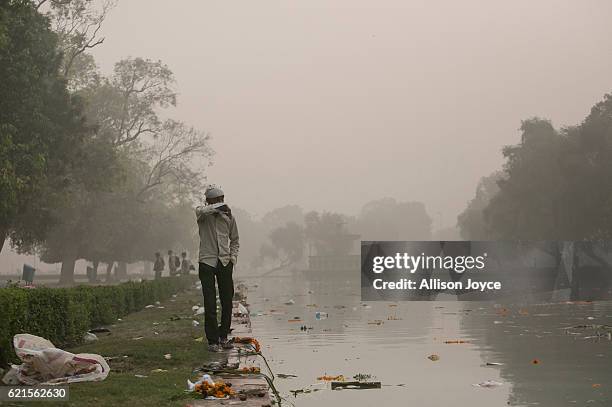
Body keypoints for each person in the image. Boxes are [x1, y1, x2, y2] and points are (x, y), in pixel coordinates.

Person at [195, 186, 239, 352]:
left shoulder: (228, 218)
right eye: (216, 200)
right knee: (210, 302)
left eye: (221, 199)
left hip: (225, 262)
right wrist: (218, 207)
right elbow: (202, 210)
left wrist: (233, 258)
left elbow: (235, 240)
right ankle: (212, 341)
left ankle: (223, 336)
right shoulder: (202, 215)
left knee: (227, 301)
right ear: (209, 201)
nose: (220, 202)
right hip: (207, 261)